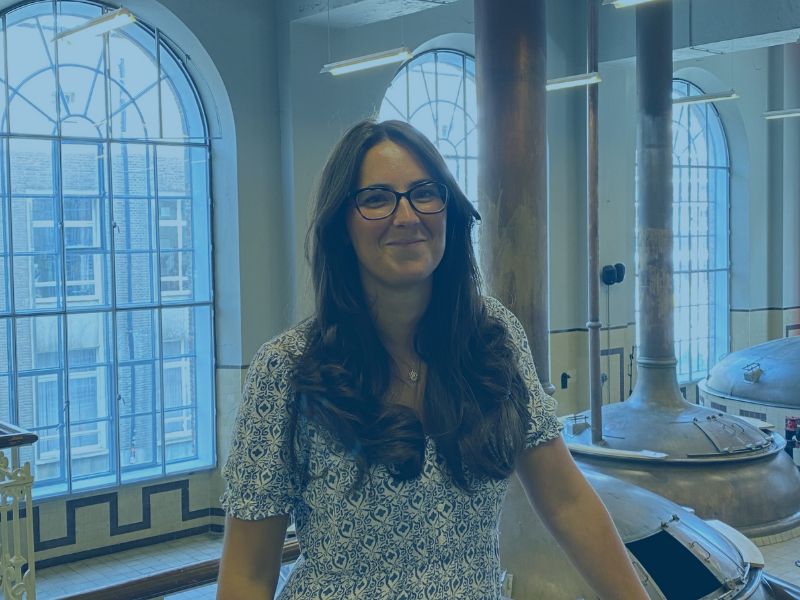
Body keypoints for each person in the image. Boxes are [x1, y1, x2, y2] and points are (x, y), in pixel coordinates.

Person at [216, 119, 648, 599]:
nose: (406, 216)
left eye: (424, 193)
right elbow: (247, 574)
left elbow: (567, 503)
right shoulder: (287, 370)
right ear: (342, 226)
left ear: (449, 212)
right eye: (376, 198)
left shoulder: (493, 339)